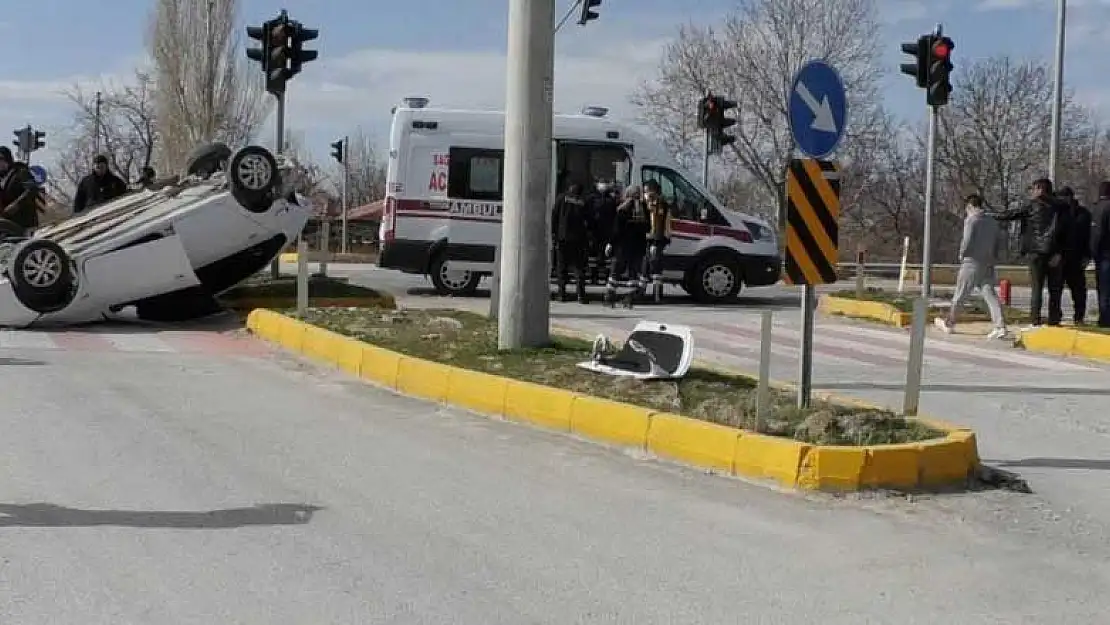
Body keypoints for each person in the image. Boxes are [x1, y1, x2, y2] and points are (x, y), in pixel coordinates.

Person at [985, 178, 1067, 326]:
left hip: (1035, 252)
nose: (1032, 192)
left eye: (1034, 189)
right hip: (1054, 253)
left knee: (1037, 288)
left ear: (1040, 189)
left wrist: (988, 214)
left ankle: (1035, 320)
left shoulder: (1032, 206)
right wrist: (1059, 252)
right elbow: (1066, 232)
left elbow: (1010, 214)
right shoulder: (1061, 208)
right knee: (1055, 289)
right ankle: (1054, 320)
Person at [934, 194, 1008, 340]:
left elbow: (967, 240)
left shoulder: (971, 220)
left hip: (971, 262)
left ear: (970, 206)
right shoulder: (993, 221)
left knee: (960, 294)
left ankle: (950, 323)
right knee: (990, 295)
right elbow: (1000, 241)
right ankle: (1000, 326)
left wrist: (961, 254)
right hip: (987, 262)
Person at [604, 185, 651, 307]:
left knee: (615, 272)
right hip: (638, 247)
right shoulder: (644, 208)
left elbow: (616, 230)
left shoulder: (623, 208)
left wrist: (610, 243)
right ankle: (629, 299)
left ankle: (609, 297)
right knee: (633, 273)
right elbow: (648, 228)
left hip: (622, 247)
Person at [551, 182, 591, 303]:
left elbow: (554, 216)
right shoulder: (583, 202)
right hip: (579, 240)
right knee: (579, 268)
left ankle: (561, 294)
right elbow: (589, 220)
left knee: (561, 267)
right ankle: (581, 295)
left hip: (563, 239)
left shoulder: (561, 198)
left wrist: (554, 234)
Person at [1057, 186, 1092, 324]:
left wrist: (1087, 255)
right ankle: (1056, 315)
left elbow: (1088, 236)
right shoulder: (1057, 212)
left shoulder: (1082, 214)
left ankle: (1079, 316)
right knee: (1056, 289)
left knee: (1078, 290)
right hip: (1060, 256)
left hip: (1076, 257)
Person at [642, 179, 673, 302]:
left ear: (654, 191)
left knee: (656, 265)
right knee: (644, 265)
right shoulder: (642, 204)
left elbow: (666, 224)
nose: (646, 195)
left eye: (648, 192)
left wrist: (663, 239)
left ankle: (657, 295)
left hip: (658, 240)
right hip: (644, 240)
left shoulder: (663, 205)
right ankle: (641, 292)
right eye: (645, 192)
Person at [585, 179, 618, 285]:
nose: (603, 186)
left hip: (605, 232)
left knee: (605, 255)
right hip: (594, 232)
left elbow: (614, 216)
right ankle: (594, 276)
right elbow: (587, 214)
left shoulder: (611, 200)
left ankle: (604, 275)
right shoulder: (591, 199)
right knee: (593, 256)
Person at [1091, 181, 1110, 327]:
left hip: (1105, 255)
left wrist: (1092, 253)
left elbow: (1097, 233)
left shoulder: (1100, 208)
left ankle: (1105, 319)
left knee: (1104, 289)